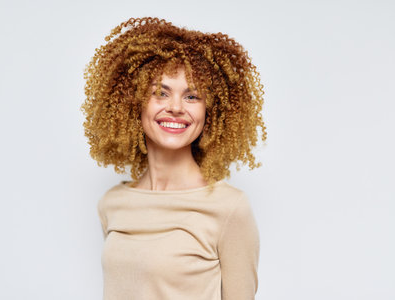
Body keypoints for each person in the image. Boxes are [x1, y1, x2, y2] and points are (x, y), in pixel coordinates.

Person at [81, 17, 266, 300]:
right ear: (134, 102)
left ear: (210, 112)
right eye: (160, 93)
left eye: (192, 96)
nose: (176, 107)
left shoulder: (229, 208)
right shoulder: (112, 203)